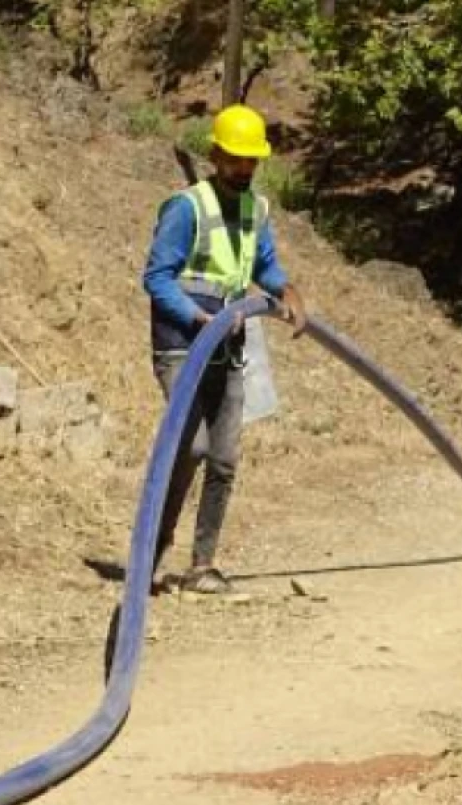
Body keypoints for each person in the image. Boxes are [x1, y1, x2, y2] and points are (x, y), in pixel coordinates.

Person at [141, 104, 308, 595]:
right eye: (235, 159)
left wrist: (288, 291)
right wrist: (197, 317)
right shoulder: (186, 207)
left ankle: (202, 565)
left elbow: (265, 266)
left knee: (224, 457)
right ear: (215, 155)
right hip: (181, 344)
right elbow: (156, 278)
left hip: (229, 345)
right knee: (188, 449)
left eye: (250, 161)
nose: (243, 168)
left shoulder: (255, 209)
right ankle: (148, 559)